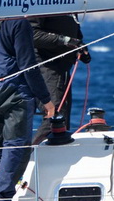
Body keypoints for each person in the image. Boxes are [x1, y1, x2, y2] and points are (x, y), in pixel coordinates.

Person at [0, 18, 56, 201]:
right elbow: (28, 65)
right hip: (12, 95)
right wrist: (45, 99)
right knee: (16, 147)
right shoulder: (19, 24)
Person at [29, 15, 91, 143]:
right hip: (46, 67)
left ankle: (52, 158)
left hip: (62, 68)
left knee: (61, 122)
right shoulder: (41, 2)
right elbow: (32, 35)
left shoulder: (70, 2)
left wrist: (79, 47)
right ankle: (25, 159)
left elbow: (74, 31)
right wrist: (65, 40)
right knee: (54, 118)